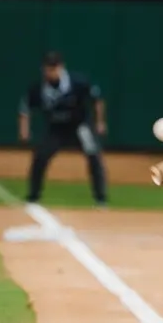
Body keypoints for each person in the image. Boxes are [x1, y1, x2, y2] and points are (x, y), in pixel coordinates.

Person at [19, 52, 108, 207]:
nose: (51, 72)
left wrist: (100, 122)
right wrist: (24, 130)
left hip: (79, 125)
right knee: (40, 157)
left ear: (61, 67)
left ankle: (100, 198)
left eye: (54, 68)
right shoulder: (38, 88)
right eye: (48, 68)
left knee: (94, 155)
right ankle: (33, 197)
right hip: (56, 129)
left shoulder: (77, 82)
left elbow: (97, 100)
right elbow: (25, 109)